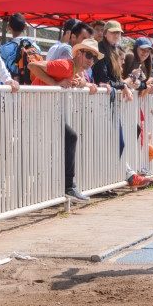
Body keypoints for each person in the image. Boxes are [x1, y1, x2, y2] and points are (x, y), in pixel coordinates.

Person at [28, 38, 101, 202]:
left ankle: (54, 190)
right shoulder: (65, 65)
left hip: (43, 110)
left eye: (94, 57)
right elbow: (32, 65)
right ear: (79, 53)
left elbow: (80, 81)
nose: (91, 60)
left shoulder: (75, 69)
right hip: (35, 110)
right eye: (89, 55)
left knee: (58, 145)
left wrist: (85, 84)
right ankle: (67, 187)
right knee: (70, 137)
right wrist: (55, 83)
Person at [92, 20, 132, 101]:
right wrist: (123, 86)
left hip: (109, 94)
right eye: (113, 32)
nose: (116, 35)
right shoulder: (100, 49)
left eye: (118, 32)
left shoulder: (116, 49)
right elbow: (102, 79)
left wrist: (123, 85)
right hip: (100, 95)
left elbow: (115, 78)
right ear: (105, 33)